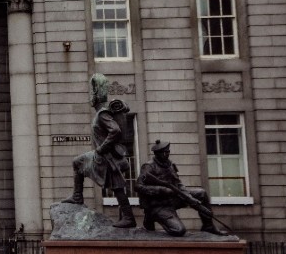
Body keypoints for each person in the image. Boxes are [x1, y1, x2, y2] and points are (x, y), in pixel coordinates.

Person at [63, 74, 136, 228]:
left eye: (91, 92)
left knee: (118, 187)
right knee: (77, 162)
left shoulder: (102, 113)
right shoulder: (101, 113)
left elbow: (115, 130)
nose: (89, 96)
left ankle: (129, 218)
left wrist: (102, 148)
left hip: (107, 157)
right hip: (104, 156)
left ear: (96, 94)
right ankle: (77, 196)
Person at [137, 140, 229, 237]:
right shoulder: (148, 167)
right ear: (157, 153)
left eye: (168, 152)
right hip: (159, 205)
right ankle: (151, 216)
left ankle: (208, 226)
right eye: (165, 152)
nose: (167, 154)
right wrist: (162, 190)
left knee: (201, 193)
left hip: (173, 199)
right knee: (179, 230)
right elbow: (138, 186)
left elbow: (178, 183)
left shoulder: (170, 165)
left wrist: (188, 197)